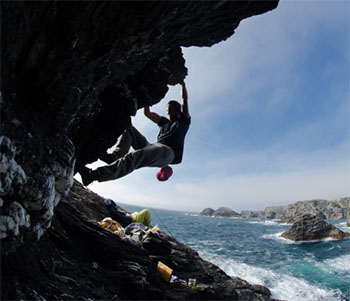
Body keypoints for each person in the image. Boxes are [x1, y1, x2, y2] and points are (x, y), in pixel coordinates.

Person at [77, 80, 191, 185]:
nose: (168, 112)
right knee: (128, 128)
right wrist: (148, 101)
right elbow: (148, 113)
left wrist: (183, 85)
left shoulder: (183, 121)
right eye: (167, 110)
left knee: (135, 157)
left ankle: (92, 176)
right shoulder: (164, 122)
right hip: (153, 146)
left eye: (170, 109)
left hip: (167, 152)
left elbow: (185, 101)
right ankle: (116, 156)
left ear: (177, 110)